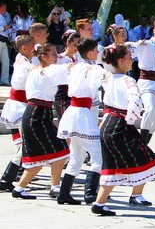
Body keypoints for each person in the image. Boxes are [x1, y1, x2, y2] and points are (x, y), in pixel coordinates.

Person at [92, 45, 155, 216]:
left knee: (111, 164)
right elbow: (136, 102)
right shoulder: (128, 80)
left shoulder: (108, 79)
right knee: (146, 157)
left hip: (107, 123)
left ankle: (100, 203)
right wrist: (130, 120)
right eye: (130, 57)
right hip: (120, 125)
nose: (133, 60)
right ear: (121, 61)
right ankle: (136, 194)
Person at [12, 44, 70, 199]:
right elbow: (65, 73)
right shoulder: (49, 70)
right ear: (43, 56)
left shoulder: (36, 71)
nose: (56, 57)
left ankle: (19, 188)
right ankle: (55, 187)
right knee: (61, 149)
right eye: (52, 54)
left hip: (37, 114)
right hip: (37, 114)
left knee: (40, 155)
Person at [56, 39, 108, 205]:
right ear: (91, 53)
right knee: (98, 155)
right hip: (83, 114)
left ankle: (64, 193)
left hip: (72, 112)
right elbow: (107, 80)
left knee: (76, 156)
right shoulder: (93, 69)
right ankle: (90, 193)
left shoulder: (74, 66)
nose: (98, 54)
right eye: (96, 51)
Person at [0, 35, 35, 191]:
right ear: (24, 48)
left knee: (25, 144)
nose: (35, 48)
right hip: (19, 106)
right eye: (32, 45)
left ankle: (12, 176)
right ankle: (7, 177)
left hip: (21, 104)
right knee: (25, 144)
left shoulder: (24, 60)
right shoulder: (23, 64)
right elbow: (20, 83)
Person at [54, 32, 80, 122]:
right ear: (68, 44)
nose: (76, 47)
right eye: (75, 45)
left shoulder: (77, 59)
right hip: (62, 92)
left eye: (78, 45)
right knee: (64, 120)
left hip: (73, 91)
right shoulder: (59, 58)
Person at [0, 1, 15, 85]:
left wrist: (10, 29)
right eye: (4, 8)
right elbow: (2, 28)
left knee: (6, 61)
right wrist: (5, 27)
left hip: (4, 40)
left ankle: (4, 80)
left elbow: (6, 30)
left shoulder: (3, 17)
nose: (5, 10)